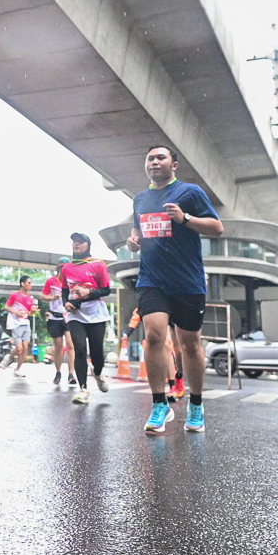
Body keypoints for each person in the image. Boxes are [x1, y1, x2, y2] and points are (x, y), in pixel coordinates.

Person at [125, 145, 224, 434]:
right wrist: (133, 241)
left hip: (187, 281)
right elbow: (137, 230)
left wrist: (185, 219)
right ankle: (160, 403)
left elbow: (217, 228)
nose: (154, 162)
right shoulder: (140, 199)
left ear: (174, 165)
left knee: (189, 344)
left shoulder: (190, 192)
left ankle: (196, 404)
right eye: (150, 158)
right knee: (154, 336)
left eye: (161, 158)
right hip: (152, 279)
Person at [59, 233, 114, 404]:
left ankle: (98, 373)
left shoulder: (97, 264)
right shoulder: (66, 268)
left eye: (80, 242)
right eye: (74, 242)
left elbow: (106, 290)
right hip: (76, 314)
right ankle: (83, 389)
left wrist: (88, 292)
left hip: (96, 313)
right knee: (80, 349)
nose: (77, 244)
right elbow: (64, 290)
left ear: (88, 245)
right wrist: (66, 303)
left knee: (97, 352)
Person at [4, 275, 37, 374]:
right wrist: (15, 312)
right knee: (19, 348)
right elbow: (6, 307)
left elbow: (29, 313)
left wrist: (33, 311)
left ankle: (17, 369)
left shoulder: (30, 298)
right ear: (23, 284)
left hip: (25, 323)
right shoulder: (15, 295)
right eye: (29, 283)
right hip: (15, 324)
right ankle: (9, 357)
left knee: (25, 347)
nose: (30, 285)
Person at [42, 271, 70, 385]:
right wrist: (53, 297)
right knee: (58, 347)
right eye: (62, 268)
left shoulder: (72, 280)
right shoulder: (51, 281)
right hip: (55, 317)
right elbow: (43, 296)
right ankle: (58, 372)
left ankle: (71, 374)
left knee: (70, 345)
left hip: (68, 316)